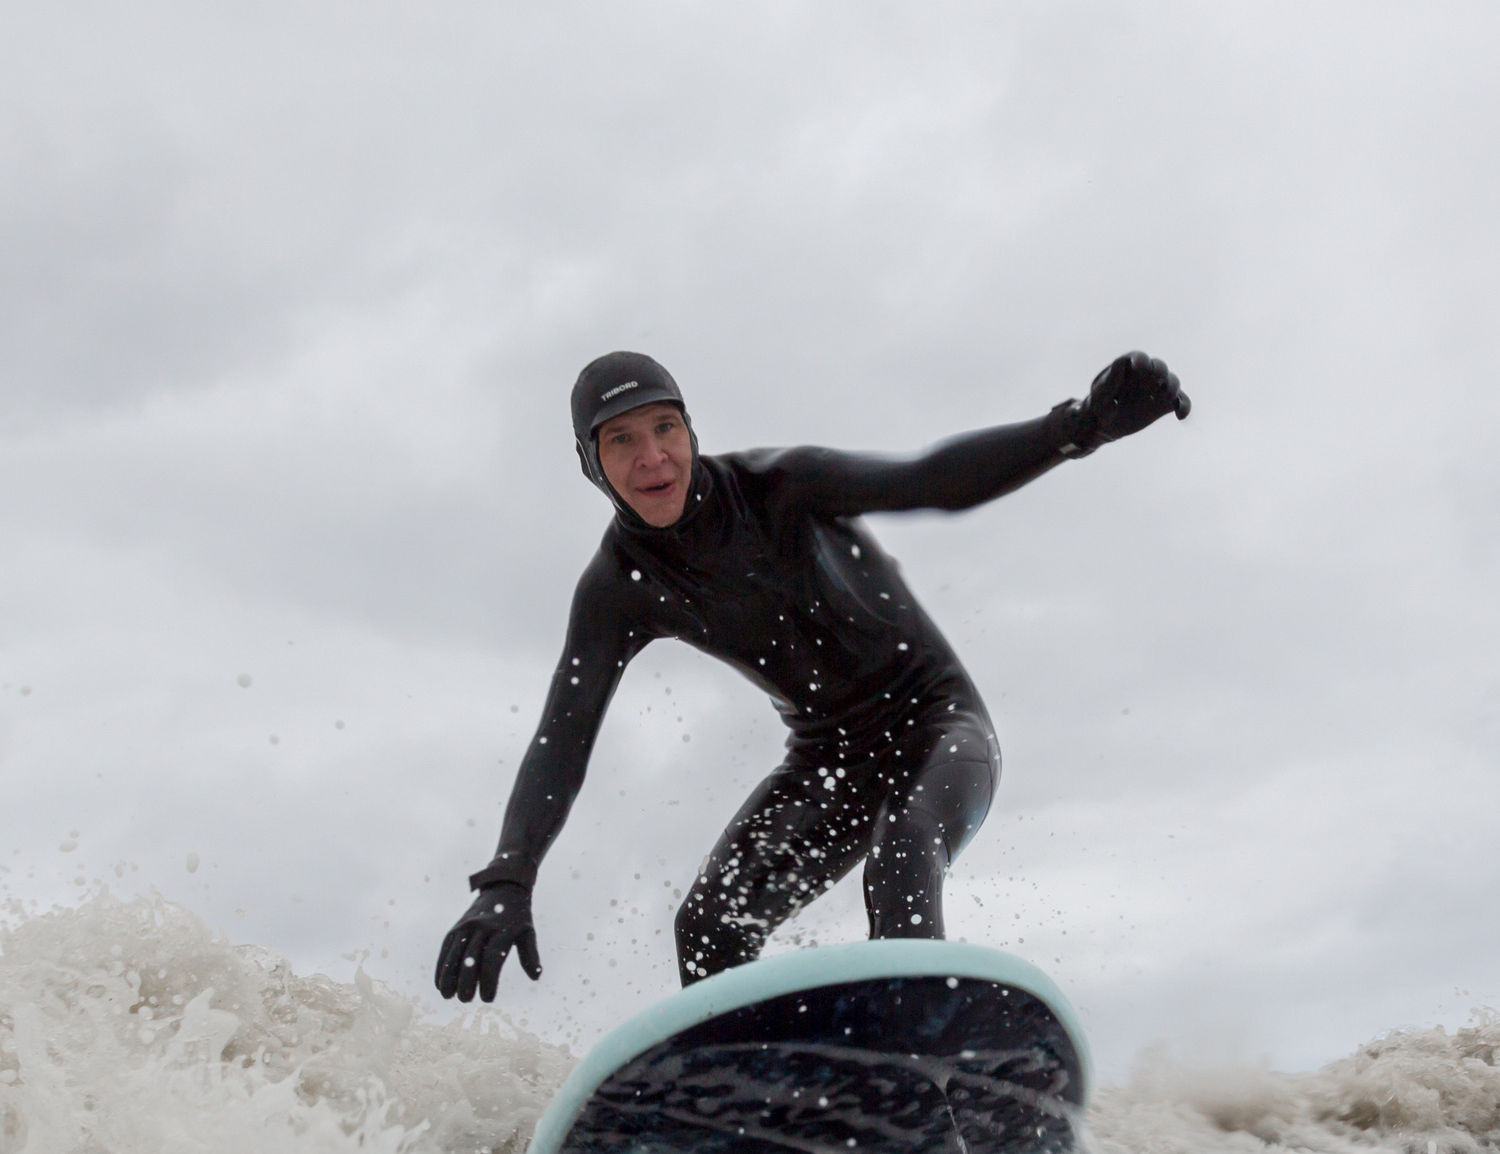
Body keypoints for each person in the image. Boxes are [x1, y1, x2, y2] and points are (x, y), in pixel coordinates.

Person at [434, 349, 1189, 1003]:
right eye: (621, 440)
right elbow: (563, 733)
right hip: (830, 761)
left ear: (691, 429)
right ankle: (761, 1118)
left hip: (937, 725)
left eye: (665, 428)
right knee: (709, 926)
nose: (652, 457)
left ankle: (924, 1079)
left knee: (901, 858)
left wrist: (1078, 427)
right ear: (590, 464)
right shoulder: (618, 584)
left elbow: (929, 479)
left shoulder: (783, 486)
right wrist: (510, 876)